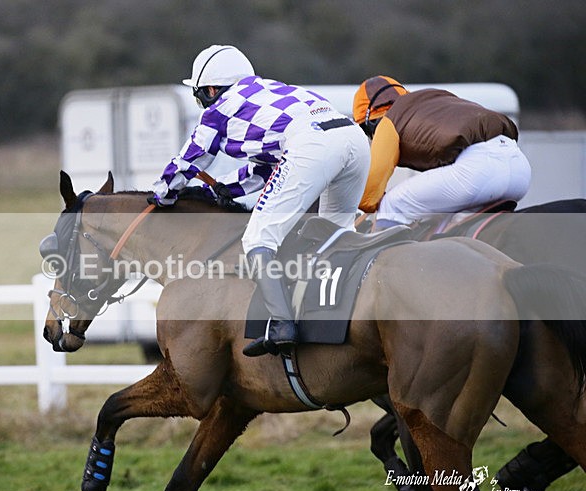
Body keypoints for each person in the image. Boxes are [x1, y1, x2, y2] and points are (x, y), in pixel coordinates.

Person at [150, 44, 370, 357]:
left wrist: (162, 192)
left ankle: (282, 325)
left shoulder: (219, 108)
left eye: (200, 97)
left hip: (313, 144)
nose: (202, 105)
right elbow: (265, 169)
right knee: (336, 232)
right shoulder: (270, 91)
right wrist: (226, 189)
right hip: (352, 138)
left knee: (258, 238)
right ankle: (342, 311)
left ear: (211, 90)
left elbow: (191, 159)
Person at [352, 75, 532, 230]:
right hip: (519, 169)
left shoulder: (389, 120)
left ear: (370, 122)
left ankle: (385, 261)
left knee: (392, 205)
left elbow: (370, 194)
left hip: (478, 172)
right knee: (443, 223)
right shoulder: (434, 98)